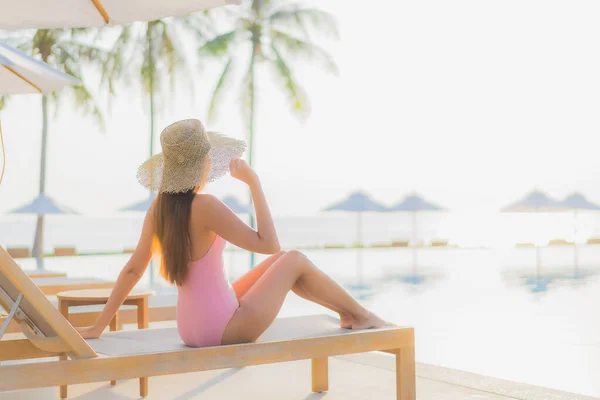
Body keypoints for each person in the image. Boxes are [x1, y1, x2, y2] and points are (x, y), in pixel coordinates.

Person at [77, 119, 392, 347]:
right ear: (203, 163)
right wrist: (254, 184)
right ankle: (362, 314)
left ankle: (350, 314)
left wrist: (98, 326)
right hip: (223, 328)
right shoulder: (206, 206)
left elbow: (133, 269)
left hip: (189, 327)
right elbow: (268, 243)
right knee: (293, 258)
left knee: (284, 261)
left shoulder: (158, 207)